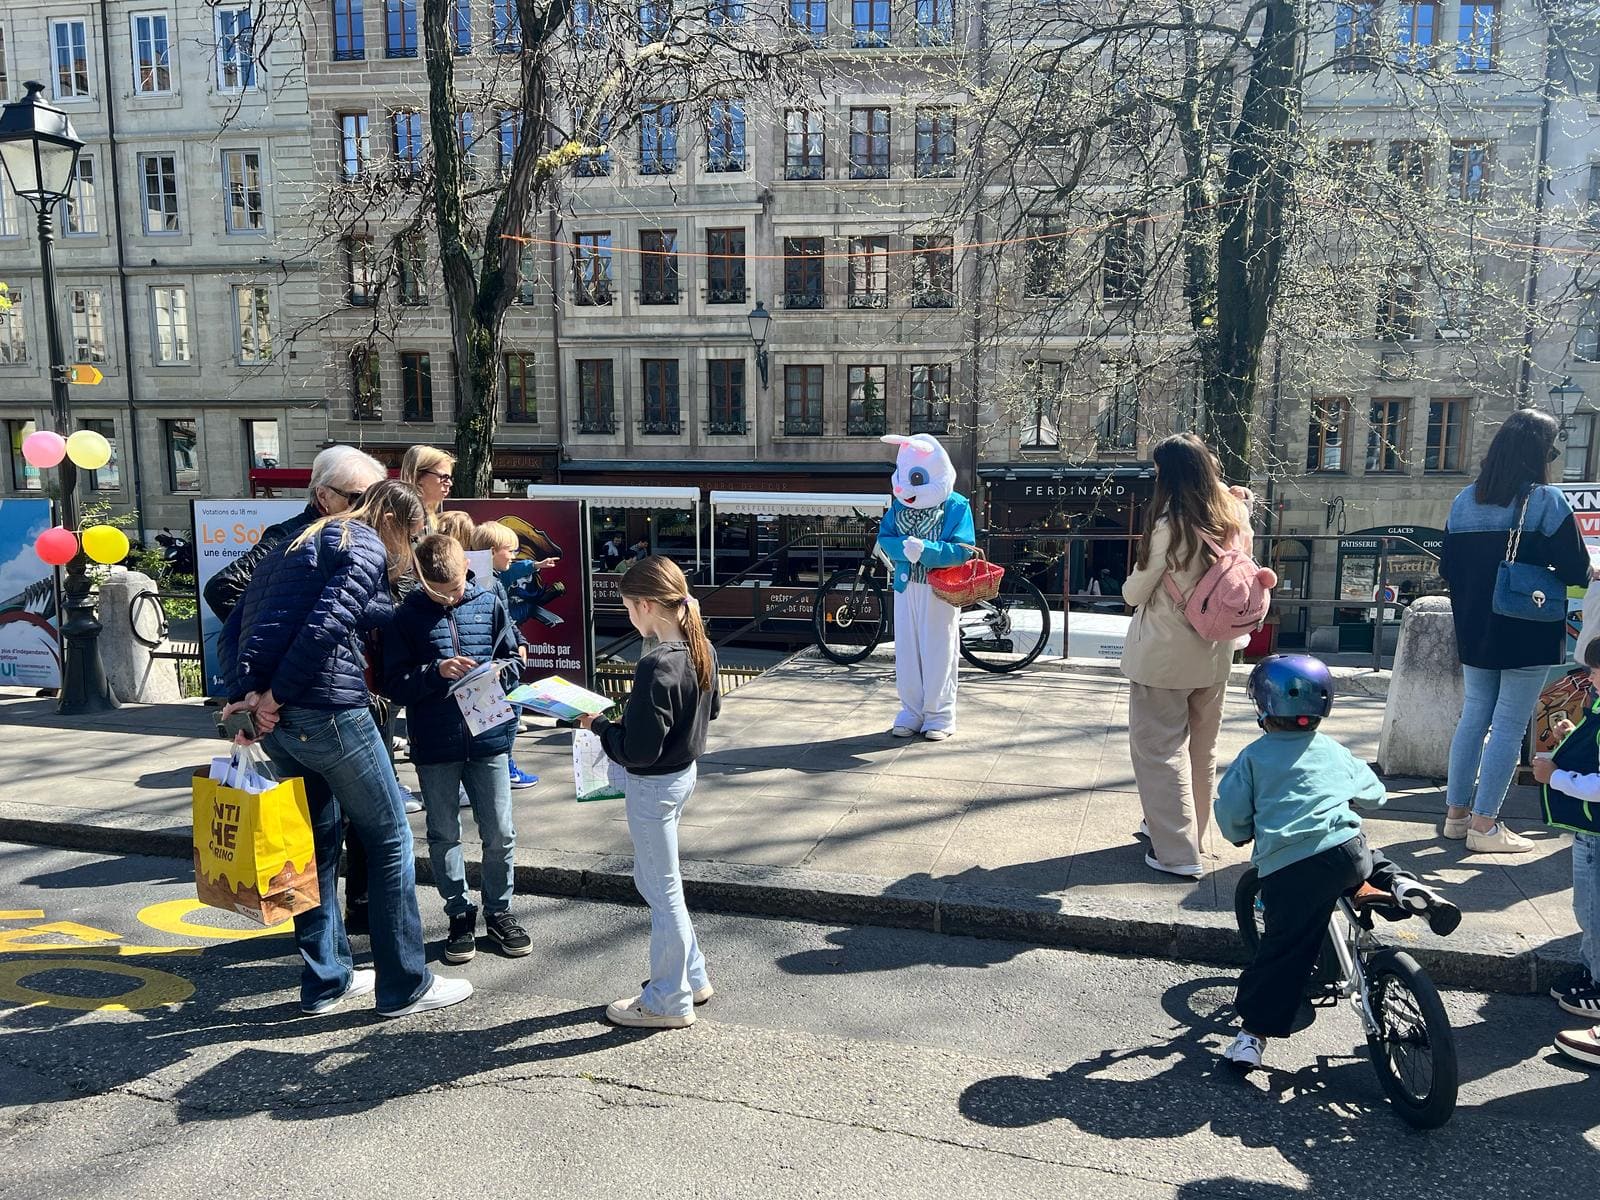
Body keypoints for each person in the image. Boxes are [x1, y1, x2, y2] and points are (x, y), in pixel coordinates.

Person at [220, 480, 472, 1018]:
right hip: (328, 711)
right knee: (389, 839)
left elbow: (236, 620)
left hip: (283, 720)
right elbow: (326, 625)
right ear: (398, 524)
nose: (407, 552)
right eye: (413, 535)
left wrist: (248, 697)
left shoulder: (294, 542)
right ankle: (405, 984)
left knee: (312, 849)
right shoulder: (362, 543)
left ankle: (326, 982)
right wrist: (276, 694)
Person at [1216, 655, 1460, 1071]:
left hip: (1292, 867)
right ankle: (1403, 886)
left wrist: (1242, 832)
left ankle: (1250, 1039)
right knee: (1367, 858)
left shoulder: (1254, 758)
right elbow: (1375, 793)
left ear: (1264, 706)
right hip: (1345, 852)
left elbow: (1232, 815)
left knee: (1284, 951)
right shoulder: (1333, 749)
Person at [578, 556, 720, 1029]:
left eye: (628, 609)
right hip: (682, 775)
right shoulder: (699, 646)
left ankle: (668, 999)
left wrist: (599, 726)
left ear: (644, 605)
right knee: (656, 881)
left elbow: (637, 751)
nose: (629, 619)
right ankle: (692, 976)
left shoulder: (656, 663)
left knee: (663, 892)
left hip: (653, 784)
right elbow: (712, 709)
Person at [1441, 409, 1590, 854]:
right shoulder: (1546, 501)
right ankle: (1485, 827)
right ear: (1539, 453)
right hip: (1525, 625)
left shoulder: (1465, 499)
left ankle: (1456, 816)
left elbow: (1448, 566)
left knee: (1474, 718)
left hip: (1474, 624)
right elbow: (1576, 568)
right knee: (1508, 725)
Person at [383, 535, 531, 965]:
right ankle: (458, 913)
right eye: (444, 590)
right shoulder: (405, 617)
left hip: (488, 734)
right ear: (424, 580)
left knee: (500, 831)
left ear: (467, 565)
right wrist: (435, 672)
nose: (456, 594)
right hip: (435, 740)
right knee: (444, 833)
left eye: (460, 584)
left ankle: (499, 911)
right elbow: (394, 683)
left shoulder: (488, 600)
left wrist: (500, 673)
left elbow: (515, 656)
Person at [1119, 433, 1252, 878]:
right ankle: (1186, 831)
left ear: (1168, 475)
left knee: (1159, 749)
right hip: (1216, 651)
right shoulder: (1234, 516)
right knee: (1202, 750)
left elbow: (1135, 591)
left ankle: (1176, 852)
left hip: (1164, 653)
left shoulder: (1169, 525)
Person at [203, 445, 386, 623]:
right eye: (359, 498)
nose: (368, 509)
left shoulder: (367, 532)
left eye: (375, 499)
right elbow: (222, 587)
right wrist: (278, 641)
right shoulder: (289, 536)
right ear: (323, 495)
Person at [1531, 636, 1600, 1063]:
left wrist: (1556, 777)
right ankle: (1591, 969)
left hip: (1596, 833)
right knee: (1586, 910)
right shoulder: (1595, 706)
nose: (1589, 679)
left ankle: (1597, 985)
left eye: (1596, 671)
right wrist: (1570, 738)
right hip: (1589, 833)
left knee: (1592, 911)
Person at [471, 520, 539, 791]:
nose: (513, 556)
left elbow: (506, 619)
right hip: (496, 663)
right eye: (509, 550)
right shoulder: (488, 583)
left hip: (502, 659)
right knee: (507, 711)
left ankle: (499, 766)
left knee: (503, 712)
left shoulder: (492, 580)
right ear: (490, 551)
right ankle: (503, 766)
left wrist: (519, 641)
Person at [400, 445, 454, 532]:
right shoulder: (403, 517)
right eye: (444, 477)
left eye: (450, 478)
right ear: (418, 476)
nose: (449, 483)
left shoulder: (430, 516)